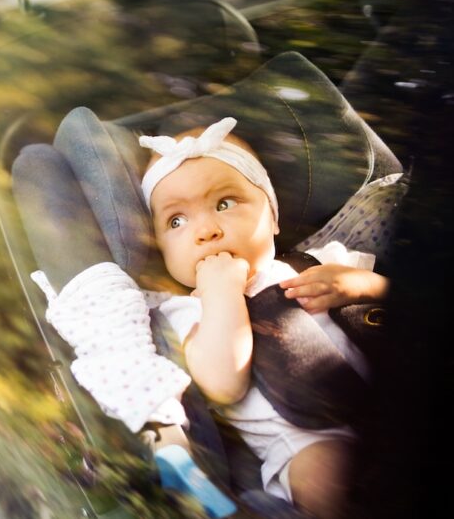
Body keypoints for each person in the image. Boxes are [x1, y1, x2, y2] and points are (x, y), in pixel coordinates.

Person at [138, 117, 388, 518]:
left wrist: (359, 284)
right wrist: (221, 291)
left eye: (224, 203)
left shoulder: (319, 261)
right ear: (164, 253)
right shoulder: (185, 312)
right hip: (306, 439)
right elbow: (224, 384)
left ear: (271, 216)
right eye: (176, 221)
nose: (205, 230)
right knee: (328, 474)